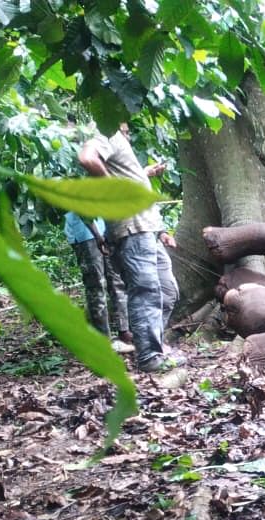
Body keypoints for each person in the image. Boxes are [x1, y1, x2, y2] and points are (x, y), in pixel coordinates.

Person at [78, 123, 181, 372]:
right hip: (132, 229)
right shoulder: (106, 133)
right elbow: (87, 157)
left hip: (148, 229)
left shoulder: (120, 141)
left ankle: (153, 345)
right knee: (145, 292)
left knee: (168, 291)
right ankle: (149, 358)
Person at [63, 210, 134, 353]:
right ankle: (103, 339)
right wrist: (97, 235)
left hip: (107, 231)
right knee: (96, 286)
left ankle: (124, 331)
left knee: (116, 281)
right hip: (86, 235)